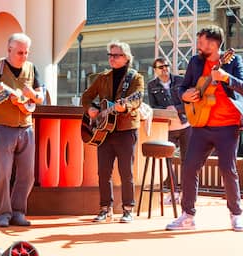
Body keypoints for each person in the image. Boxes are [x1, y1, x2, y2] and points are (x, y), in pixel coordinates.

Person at [166, 25, 243, 231]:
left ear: (215, 43)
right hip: (200, 123)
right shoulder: (195, 61)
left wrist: (226, 77)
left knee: (228, 169)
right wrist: (184, 95)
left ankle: (236, 214)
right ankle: (187, 216)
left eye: (202, 42)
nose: (199, 45)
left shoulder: (233, 61)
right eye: (198, 41)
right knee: (190, 167)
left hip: (228, 125)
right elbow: (183, 87)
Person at [81, 40, 144, 223]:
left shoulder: (135, 78)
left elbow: (137, 99)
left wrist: (126, 107)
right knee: (103, 171)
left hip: (126, 130)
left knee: (126, 172)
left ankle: (128, 209)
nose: (112, 58)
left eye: (116, 55)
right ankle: (105, 208)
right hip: (104, 131)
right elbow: (87, 96)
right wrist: (91, 109)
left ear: (126, 58)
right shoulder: (102, 77)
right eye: (110, 55)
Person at [0, 33, 44, 227]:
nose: (24, 56)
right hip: (2, 128)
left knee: (27, 174)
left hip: (26, 128)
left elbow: (40, 97)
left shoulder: (32, 68)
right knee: (2, 173)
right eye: (20, 52)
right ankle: (2, 213)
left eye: (26, 52)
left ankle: (18, 212)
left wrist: (32, 95)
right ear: (8, 50)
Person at [147, 57, 191, 204]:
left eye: (166, 66)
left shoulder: (180, 80)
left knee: (188, 161)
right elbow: (153, 107)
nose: (164, 68)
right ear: (155, 70)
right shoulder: (151, 85)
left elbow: (190, 102)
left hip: (185, 126)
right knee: (167, 161)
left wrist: (176, 108)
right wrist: (166, 110)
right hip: (167, 128)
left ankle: (186, 192)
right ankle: (173, 191)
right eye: (161, 67)